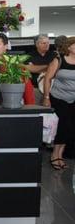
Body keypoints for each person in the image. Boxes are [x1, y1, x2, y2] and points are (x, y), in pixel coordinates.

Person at [43, 36, 75, 168]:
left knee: (70, 128)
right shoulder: (59, 59)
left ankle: (60, 155)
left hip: (73, 99)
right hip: (58, 97)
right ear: (69, 47)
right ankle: (54, 155)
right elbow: (47, 78)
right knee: (63, 126)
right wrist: (46, 97)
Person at [0, 33, 35, 105]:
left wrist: (30, 108)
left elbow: (27, 89)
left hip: (11, 105)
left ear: (5, 46)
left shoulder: (15, 64)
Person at [26, 34, 58, 104]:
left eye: (48, 43)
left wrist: (37, 68)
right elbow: (30, 69)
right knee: (36, 110)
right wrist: (50, 67)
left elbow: (57, 70)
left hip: (52, 89)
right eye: (43, 43)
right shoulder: (29, 56)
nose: (47, 45)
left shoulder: (54, 55)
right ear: (37, 44)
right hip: (35, 90)